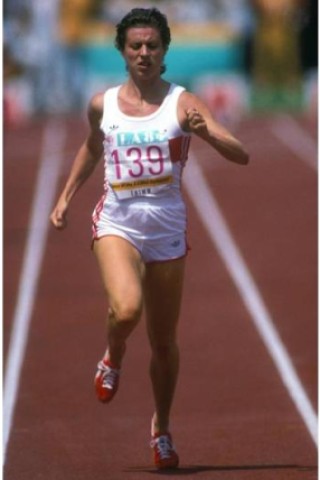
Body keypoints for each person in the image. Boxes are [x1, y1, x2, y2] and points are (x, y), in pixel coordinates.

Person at [50, 7, 249, 470]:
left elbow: (241, 153)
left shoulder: (183, 103)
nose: (144, 53)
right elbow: (91, 146)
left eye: (152, 46)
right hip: (118, 221)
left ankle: (160, 427)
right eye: (135, 45)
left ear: (164, 53)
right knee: (126, 308)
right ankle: (113, 352)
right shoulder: (103, 104)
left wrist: (209, 135)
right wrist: (64, 197)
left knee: (164, 342)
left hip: (167, 229)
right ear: (122, 51)